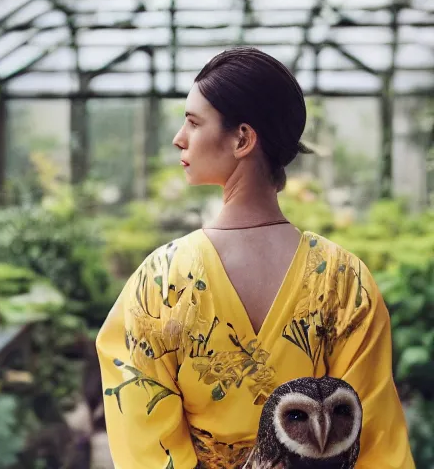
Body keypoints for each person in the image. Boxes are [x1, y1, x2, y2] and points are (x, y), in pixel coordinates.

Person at [96, 47, 415, 468]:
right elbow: (375, 442)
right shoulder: (344, 280)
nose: (179, 137)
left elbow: (144, 444)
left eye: (193, 121)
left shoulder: (160, 282)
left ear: (243, 138)